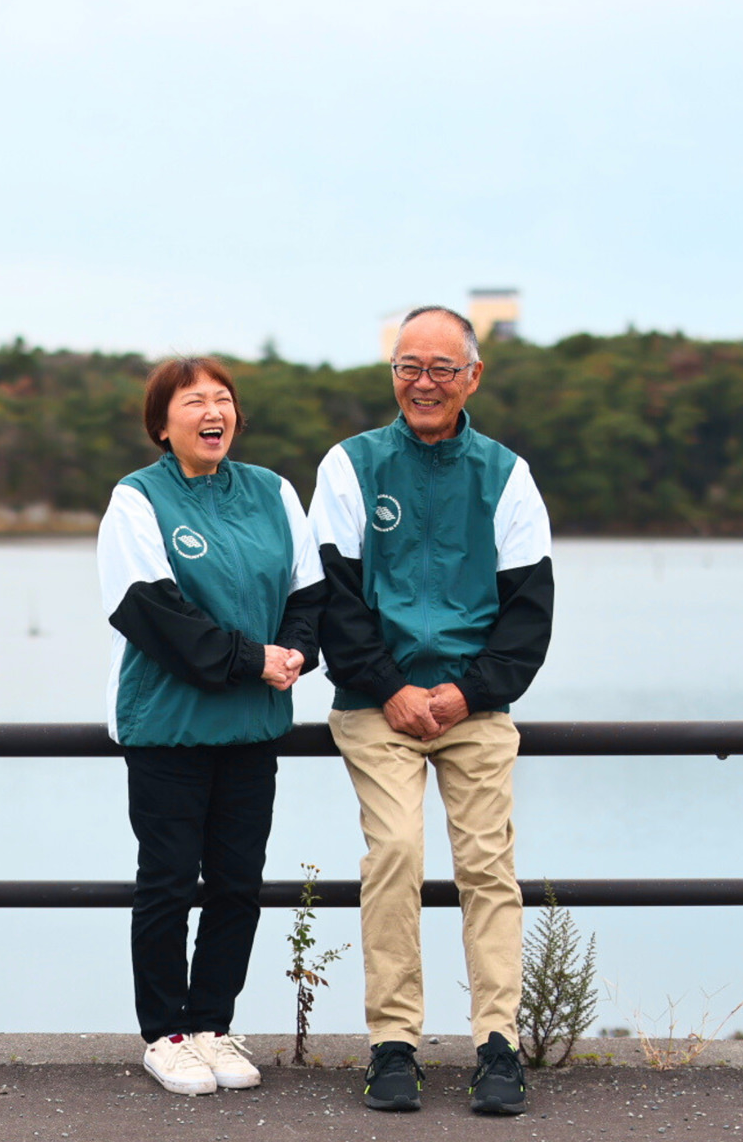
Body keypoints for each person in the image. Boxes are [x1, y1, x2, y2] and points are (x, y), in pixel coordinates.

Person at [308, 306, 553, 1116]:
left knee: (488, 866)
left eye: (442, 368)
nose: (423, 382)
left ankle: (497, 1045)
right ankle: (393, 1045)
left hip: (473, 706)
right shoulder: (350, 467)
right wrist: (391, 688)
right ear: (393, 375)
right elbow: (332, 601)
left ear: (472, 377)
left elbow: (528, 613)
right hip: (377, 705)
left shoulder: (507, 475)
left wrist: (467, 691)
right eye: (408, 366)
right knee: (397, 854)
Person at [97, 356, 325, 1097]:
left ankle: (212, 1025)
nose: (211, 411)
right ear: (162, 424)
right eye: (192, 401)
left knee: (236, 884)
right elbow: (152, 613)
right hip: (167, 728)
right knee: (167, 882)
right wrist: (249, 659)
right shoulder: (137, 500)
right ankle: (164, 1034)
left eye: (222, 399)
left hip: (252, 729)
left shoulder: (273, 492)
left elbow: (309, 590)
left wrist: (294, 653)